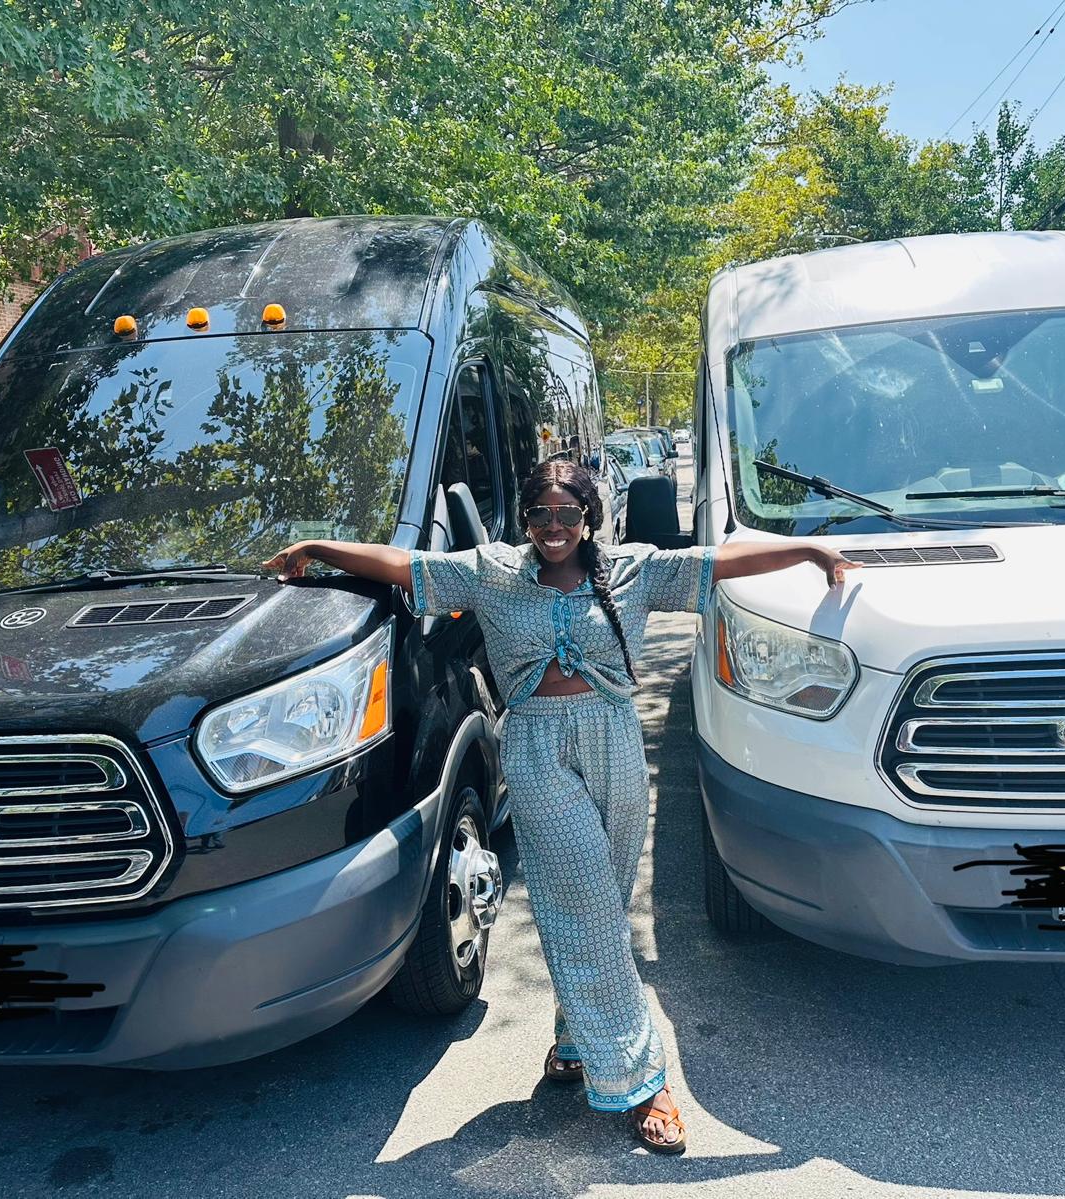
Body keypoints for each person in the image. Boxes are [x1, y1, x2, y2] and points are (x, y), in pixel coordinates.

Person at [263, 458, 858, 1154]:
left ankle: (575, 1040)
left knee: (602, 900)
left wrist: (813, 549)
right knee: (587, 904)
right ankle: (644, 1082)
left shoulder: (632, 569)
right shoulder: (491, 572)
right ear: (524, 518)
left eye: (567, 514)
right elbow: (406, 566)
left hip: (614, 739)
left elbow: (720, 560)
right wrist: (315, 548)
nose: (554, 527)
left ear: (589, 517)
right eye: (541, 514)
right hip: (538, 747)